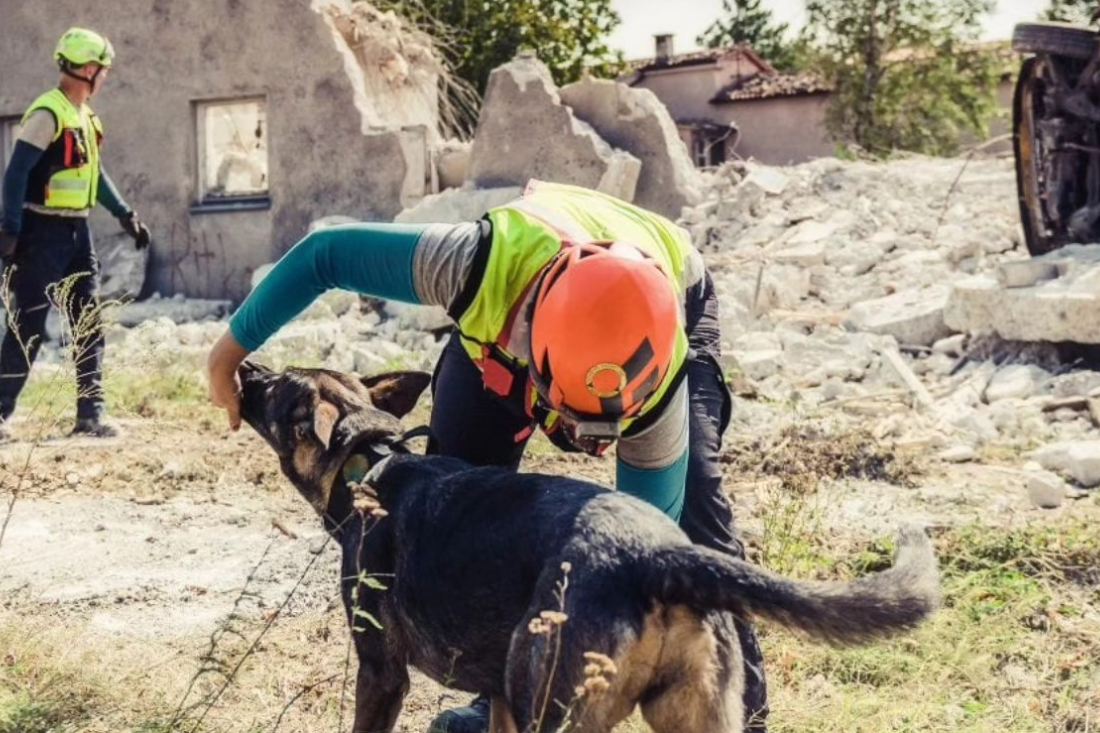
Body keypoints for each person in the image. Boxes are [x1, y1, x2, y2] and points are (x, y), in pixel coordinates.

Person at [206, 180, 769, 732]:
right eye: (571, 417)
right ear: (534, 354)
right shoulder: (472, 263)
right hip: (517, 303)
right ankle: (493, 699)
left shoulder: (660, 386)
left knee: (690, 535)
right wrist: (226, 356)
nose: (586, 439)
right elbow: (322, 255)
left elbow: (642, 550)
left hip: (670, 295)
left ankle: (745, 719)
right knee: (453, 512)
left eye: (605, 427)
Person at [0, 27, 151, 443]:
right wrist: (10, 229)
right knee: (27, 325)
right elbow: (15, 175)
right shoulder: (47, 114)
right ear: (87, 69)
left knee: (87, 323)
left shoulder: (85, 117)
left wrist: (125, 215)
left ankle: (90, 415)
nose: (104, 77)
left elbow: (95, 175)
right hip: (39, 232)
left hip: (76, 232)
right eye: (102, 70)